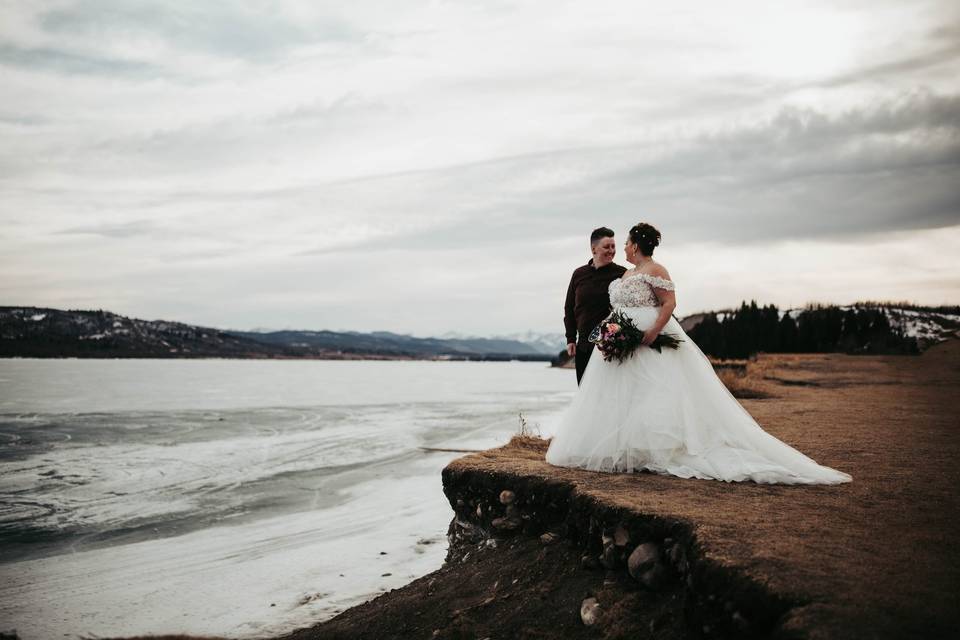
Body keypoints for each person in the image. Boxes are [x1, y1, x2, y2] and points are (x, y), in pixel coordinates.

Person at [546, 222, 852, 485]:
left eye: (624, 243)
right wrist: (606, 333)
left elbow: (669, 303)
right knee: (620, 397)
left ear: (636, 245)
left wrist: (651, 332)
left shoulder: (650, 270)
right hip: (619, 340)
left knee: (653, 394)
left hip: (647, 338)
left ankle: (656, 448)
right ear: (594, 248)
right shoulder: (621, 274)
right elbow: (582, 306)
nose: (620, 248)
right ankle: (622, 447)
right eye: (612, 245)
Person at [563, 227, 627, 384]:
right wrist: (571, 338)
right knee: (584, 392)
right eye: (607, 247)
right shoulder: (579, 274)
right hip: (583, 346)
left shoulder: (621, 273)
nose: (611, 251)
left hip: (609, 348)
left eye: (613, 246)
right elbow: (569, 307)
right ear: (593, 249)